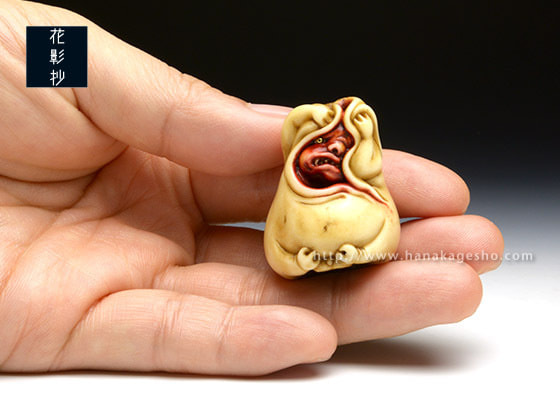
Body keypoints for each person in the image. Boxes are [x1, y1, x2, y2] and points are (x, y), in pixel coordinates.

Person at [0, 0, 503, 376]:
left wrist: (33, 47)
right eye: (320, 145)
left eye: (339, 147)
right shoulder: (292, 194)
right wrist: (32, 47)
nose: (328, 154)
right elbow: (281, 246)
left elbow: (380, 234)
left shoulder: (369, 195)